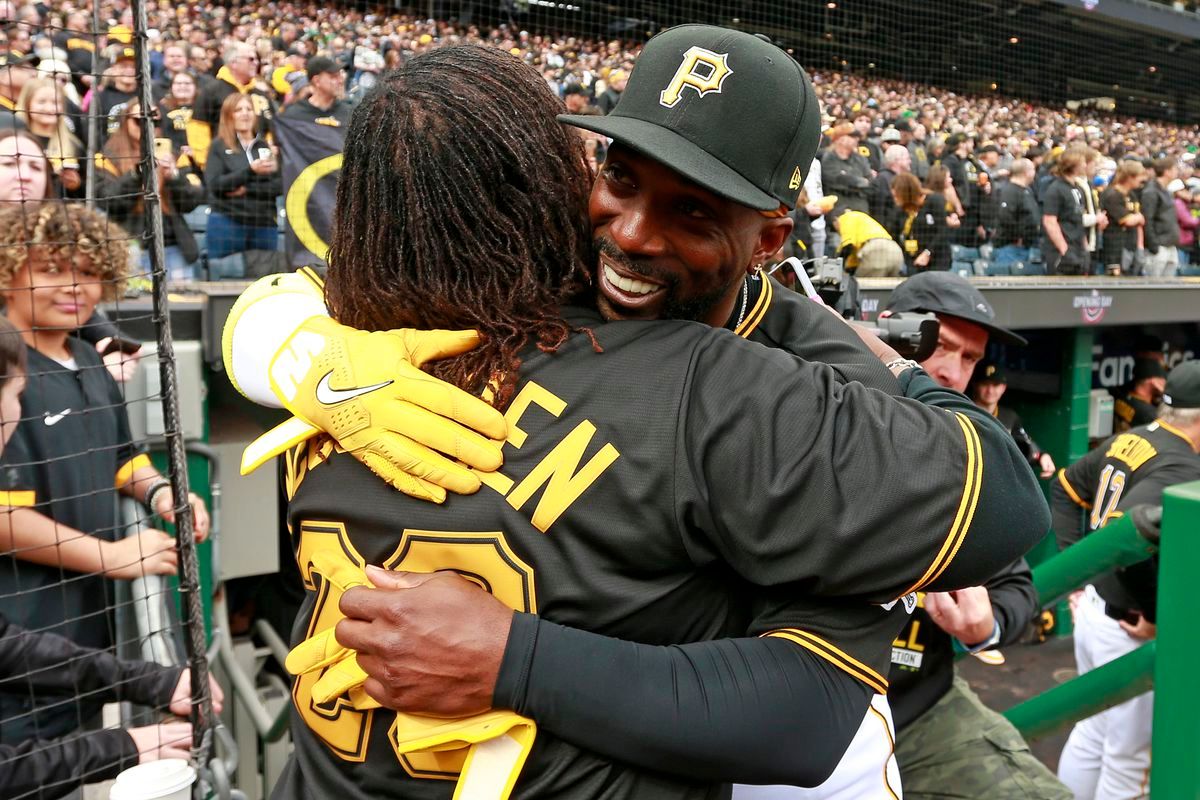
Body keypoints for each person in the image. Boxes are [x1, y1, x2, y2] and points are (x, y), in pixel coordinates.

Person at [224, 33, 1047, 799]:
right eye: (621, 177)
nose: (631, 232)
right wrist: (305, 357)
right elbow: (271, 303)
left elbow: (812, 710)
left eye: (693, 211)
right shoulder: (507, 289)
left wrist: (878, 359)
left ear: (769, 240)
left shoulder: (794, 384)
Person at [0, 201, 209, 744]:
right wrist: (114, 557)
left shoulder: (90, 359)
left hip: (82, 642)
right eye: (51, 269)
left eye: (90, 272)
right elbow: (3, 518)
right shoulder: (5, 372)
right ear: (8, 270)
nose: (75, 286)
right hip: (19, 642)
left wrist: (161, 492)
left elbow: (123, 457)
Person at [882, 272, 1071, 800]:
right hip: (791, 713)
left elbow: (1017, 588)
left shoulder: (967, 458)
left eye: (969, 359)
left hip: (915, 709)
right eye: (937, 345)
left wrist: (985, 624)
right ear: (884, 336)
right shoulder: (811, 414)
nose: (951, 372)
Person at [1052, 360, 1200, 800]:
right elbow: (1127, 544)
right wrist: (1156, 615)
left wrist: (1073, 578)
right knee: (1129, 760)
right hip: (1129, 627)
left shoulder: (1136, 437)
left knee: (1092, 735)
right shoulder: (1182, 467)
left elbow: (1063, 487)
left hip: (1097, 610)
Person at [96, 99, 205, 280]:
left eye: (155, 121)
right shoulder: (106, 157)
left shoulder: (175, 155)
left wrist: (174, 177)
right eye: (140, 120)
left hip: (171, 245)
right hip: (128, 245)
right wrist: (136, 174)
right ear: (125, 122)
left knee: (183, 304)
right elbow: (109, 202)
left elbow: (192, 201)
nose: (149, 126)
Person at [204, 92, 281, 263]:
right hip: (228, 222)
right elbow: (215, 185)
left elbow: (279, 185)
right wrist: (251, 171)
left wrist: (246, 188)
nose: (245, 113)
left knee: (265, 279)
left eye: (249, 109)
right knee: (221, 276)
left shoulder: (265, 146)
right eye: (238, 110)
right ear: (228, 116)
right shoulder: (218, 146)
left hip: (264, 222)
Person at [971, 358, 1056, 478]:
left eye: (995, 385)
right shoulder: (964, 411)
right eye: (985, 384)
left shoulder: (1009, 417)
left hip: (997, 479)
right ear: (975, 385)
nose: (990, 390)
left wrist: (1042, 456)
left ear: (1003, 388)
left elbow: (1025, 445)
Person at [15, 76, 82, 197]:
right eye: (41, 102)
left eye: (56, 102)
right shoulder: (15, 141)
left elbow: (85, 193)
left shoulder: (74, 144)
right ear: (27, 104)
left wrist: (75, 184)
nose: (50, 108)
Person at [1042, 148, 1090, 275]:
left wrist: (1085, 249)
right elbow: (1049, 221)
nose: (1086, 165)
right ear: (1074, 165)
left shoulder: (1078, 189)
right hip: (1062, 252)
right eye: (1083, 162)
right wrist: (1064, 250)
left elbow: (1079, 219)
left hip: (1079, 249)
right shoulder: (1055, 189)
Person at [889, 172, 949, 272]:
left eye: (897, 196)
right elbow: (893, 234)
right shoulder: (900, 210)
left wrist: (928, 253)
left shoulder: (935, 201)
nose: (895, 200)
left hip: (937, 261)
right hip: (912, 262)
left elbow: (942, 231)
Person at [1098, 160, 1147, 276]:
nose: (1142, 180)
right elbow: (1126, 220)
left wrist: (1140, 246)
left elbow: (1140, 220)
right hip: (1114, 248)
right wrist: (1137, 218)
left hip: (1131, 245)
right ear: (1130, 177)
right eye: (1140, 176)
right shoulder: (1112, 194)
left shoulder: (1131, 194)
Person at [992, 158, 1042, 268]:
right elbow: (1005, 217)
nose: (1035, 173)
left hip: (1026, 245)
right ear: (1026, 172)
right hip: (1011, 248)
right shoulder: (1009, 191)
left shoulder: (1027, 190)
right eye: (1033, 170)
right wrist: (1018, 237)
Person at [278, 55, 350, 126]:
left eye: (340, 76)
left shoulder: (348, 112)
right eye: (333, 77)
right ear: (317, 81)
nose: (341, 80)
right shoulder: (295, 116)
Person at [821, 121, 872, 216]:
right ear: (840, 138)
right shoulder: (828, 157)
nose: (856, 139)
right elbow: (834, 180)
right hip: (839, 210)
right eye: (852, 136)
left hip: (861, 210)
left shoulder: (860, 158)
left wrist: (849, 179)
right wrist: (859, 182)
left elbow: (870, 182)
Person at [1140, 157, 1180, 278]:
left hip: (1170, 245)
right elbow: (1148, 220)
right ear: (1166, 171)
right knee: (1154, 288)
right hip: (1159, 246)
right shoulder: (1151, 191)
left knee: (1168, 290)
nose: (1177, 172)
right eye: (1174, 169)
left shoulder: (1166, 191)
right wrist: (1154, 247)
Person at [1114, 357, 1168, 433]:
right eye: (1163, 379)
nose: (1166, 382)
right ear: (1154, 381)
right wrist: (1165, 391)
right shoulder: (1149, 414)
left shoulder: (1119, 394)